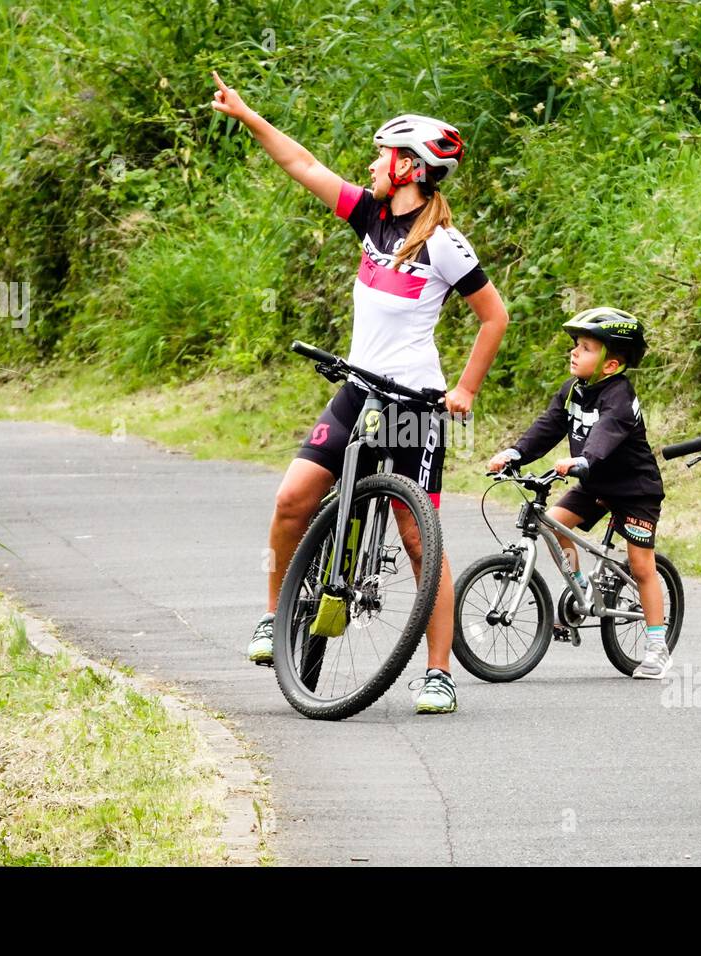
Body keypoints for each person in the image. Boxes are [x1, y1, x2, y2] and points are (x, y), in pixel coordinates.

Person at [211, 74, 509, 715]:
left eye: (381, 156)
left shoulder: (445, 245)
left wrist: (464, 388)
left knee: (417, 535)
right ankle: (273, 617)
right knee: (293, 498)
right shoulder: (369, 215)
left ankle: (437, 674)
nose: (371, 165)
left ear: (407, 168)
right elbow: (303, 164)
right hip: (356, 390)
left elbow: (495, 317)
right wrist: (249, 116)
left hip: (413, 406)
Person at [488, 308, 669, 677]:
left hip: (636, 491)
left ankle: (656, 646)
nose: (574, 352)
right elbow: (548, 426)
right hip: (595, 485)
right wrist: (515, 453)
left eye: (585, 347)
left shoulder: (621, 396)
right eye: (576, 345)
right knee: (552, 523)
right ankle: (582, 587)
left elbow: (608, 431)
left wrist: (583, 459)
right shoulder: (572, 390)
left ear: (610, 364)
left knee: (641, 565)